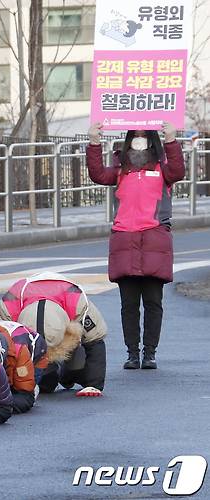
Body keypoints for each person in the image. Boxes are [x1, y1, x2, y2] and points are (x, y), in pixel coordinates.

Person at [87, 122, 185, 370]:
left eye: (145, 136)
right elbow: (97, 174)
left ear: (153, 141)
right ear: (128, 140)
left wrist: (172, 140)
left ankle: (149, 353)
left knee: (153, 302)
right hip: (125, 241)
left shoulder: (163, 169)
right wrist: (94, 143)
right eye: (135, 136)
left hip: (154, 241)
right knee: (129, 305)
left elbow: (178, 171)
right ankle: (132, 353)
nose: (139, 141)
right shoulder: (121, 171)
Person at [0, 272, 108, 397]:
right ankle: (53, 372)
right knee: (45, 385)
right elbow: (6, 350)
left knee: (79, 372)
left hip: (67, 315)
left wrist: (94, 385)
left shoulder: (77, 303)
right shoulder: (9, 305)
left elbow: (95, 340)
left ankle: (68, 374)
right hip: (28, 340)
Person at [0, 320, 48, 413]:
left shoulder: (20, 351)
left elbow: (25, 395)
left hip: (36, 351)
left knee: (18, 391)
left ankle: (55, 371)